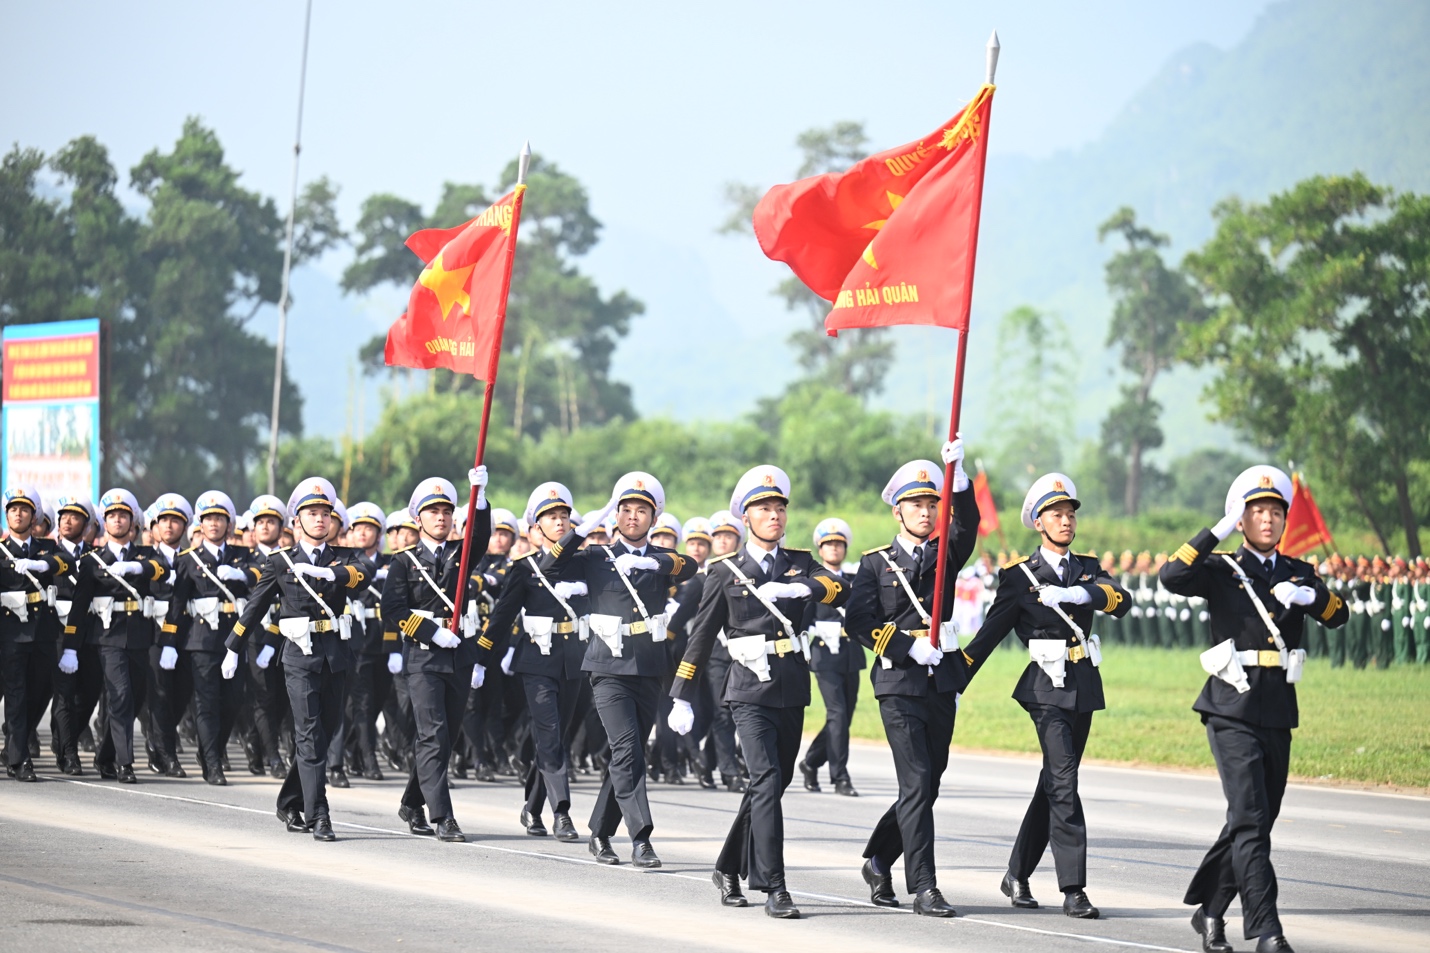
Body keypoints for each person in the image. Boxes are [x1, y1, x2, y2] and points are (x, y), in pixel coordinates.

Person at [1160, 466, 1349, 953]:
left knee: (1255, 819)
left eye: (1275, 512)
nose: (1267, 520)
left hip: (1278, 706)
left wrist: (1312, 596)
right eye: (1256, 511)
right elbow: (1172, 576)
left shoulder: (1298, 572)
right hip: (1230, 705)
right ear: (1242, 520)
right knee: (1250, 821)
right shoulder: (1222, 569)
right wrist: (1216, 530)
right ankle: (1267, 929)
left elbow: (1339, 615)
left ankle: (1209, 911)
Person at [669, 465, 850, 919]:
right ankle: (775, 886)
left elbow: (837, 588)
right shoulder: (724, 571)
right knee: (766, 780)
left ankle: (727, 866)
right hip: (747, 688)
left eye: (779, 509)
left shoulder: (800, 561)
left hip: (790, 685)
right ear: (746, 518)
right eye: (764, 509)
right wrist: (681, 692)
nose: (774, 516)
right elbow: (702, 636)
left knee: (772, 783)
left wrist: (797, 586)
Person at [961, 472, 1131, 920]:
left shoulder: (1088, 567)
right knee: (1065, 782)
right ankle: (1073, 888)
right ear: (1038, 522)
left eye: (1070, 513)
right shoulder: (1020, 576)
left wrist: (1080, 591)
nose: (1066, 521)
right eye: (1056, 514)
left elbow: (1121, 599)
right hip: (1045, 688)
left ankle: (1016, 872)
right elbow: (990, 633)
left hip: (1083, 684)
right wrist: (953, 681)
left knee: (1054, 783)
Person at [845, 440, 979, 916]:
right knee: (919, 781)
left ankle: (880, 859)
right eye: (917, 504)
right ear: (898, 511)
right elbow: (857, 622)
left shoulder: (946, 554)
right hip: (898, 683)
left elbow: (970, 526)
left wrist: (958, 477)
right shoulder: (876, 563)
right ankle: (924, 886)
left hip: (940, 680)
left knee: (928, 783)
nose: (926, 511)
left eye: (932, 503)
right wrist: (904, 644)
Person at [539, 471, 697, 868]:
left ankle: (600, 832)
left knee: (629, 755)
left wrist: (652, 563)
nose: (632, 516)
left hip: (649, 667)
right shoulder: (596, 558)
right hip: (607, 667)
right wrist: (586, 527)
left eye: (640, 510)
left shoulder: (661, 560)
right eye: (625, 509)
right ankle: (641, 837)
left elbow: (690, 565)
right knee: (628, 749)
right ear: (615, 515)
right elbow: (552, 565)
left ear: (654, 517)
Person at [225, 477, 373, 842]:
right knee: (307, 734)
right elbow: (256, 606)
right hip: (299, 658)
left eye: (326, 513)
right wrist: (232, 645)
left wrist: (329, 572)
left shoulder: (346, 557)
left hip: (336, 656)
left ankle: (289, 799)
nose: (320, 519)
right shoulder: (281, 562)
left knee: (324, 733)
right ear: (296, 521)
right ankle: (318, 812)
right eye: (312, 513)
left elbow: (363, 577)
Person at [475, 481, 589, 841]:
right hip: (536, 662)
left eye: (564, 517)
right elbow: (502, 616)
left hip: (573, 660)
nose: (559, 523)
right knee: (550, 733)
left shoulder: (583, 563)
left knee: (557, 738)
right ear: (535, 529)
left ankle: (532, 807)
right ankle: (563, 812)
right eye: (551, 518)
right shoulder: (524, 569)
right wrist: (482, 658)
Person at [385, 469, 492, 843]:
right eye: (433, 512)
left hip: (459, 656)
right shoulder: (402, 563)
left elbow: (480, 535)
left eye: (447, 511)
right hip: (424, 658)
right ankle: (442, 816)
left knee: (445, 738)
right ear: (418, 519)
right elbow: (394, 611)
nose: (441, 517)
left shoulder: (463, 554)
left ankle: (412, 801)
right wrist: (432, 632)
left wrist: (479, 497)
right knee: (432, 735)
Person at [160, 491, 255, 785]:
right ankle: (212, 762)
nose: (214, 524)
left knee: (233, 702)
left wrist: (242, 575)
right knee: (206, 702)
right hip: (200, 641)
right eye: (208, 519)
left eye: (220, 519)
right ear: (200, 525)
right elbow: (177, 605)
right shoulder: (189, 560)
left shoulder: (241, 556)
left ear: (229, 524)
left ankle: (211, 750)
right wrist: (169, 643)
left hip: (234, 640)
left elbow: (259, 574)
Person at [86, 488, 170, 783]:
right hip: (108, 637)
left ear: (133, 522)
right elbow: (81, 603)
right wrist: (71, 645)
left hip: (139, 637)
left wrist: (136, 566)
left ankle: (104, 756)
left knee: (134, 700)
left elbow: (164, 569)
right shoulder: (93, 558)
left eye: (123, 515)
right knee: (119, 696)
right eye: (112, 516)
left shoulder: (146, 554)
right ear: (104, 522)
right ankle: (125, 763)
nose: (117, 520)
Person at [2, 487, 82, 780]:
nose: (18, 514)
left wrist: (39, 564)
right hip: (11, 632)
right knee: (17, 695)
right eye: (13, 509)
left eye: (24, 509)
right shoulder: (1, 550)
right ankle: (19, 760)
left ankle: (15, 747)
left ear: (33, 515)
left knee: (38, 693)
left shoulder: (47, 548)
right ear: (7, 514)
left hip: (43, 633)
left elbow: (66, 562)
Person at [799, 517, 864, 797]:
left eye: (839, 544)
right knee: (836, 714)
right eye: (829, 544)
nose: (834, 549)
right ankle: (840, 776)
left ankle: (810, 762)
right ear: (820, 549)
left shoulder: (855, 581)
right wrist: (817, 630)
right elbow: (802, 621)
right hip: (825, 654)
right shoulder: (813, 582)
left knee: (844, 717)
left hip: (851, 653)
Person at [48, 494, 101, 776]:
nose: (68, 521)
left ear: (88, 524)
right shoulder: (49, 554)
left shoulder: (96, 556)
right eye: (64, 516)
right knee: (65, 694)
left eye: (76, 517)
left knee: (90, 692)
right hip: (59, 632)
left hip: (91, 633)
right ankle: (69, 754)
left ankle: (62, 736)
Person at [144, 493, 193, 777]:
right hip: (153, 633)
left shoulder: (192, 560)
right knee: (160, 693)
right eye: (164, 521)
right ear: (155, 527)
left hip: (185, 634)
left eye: (176, 521)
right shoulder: (145, 558)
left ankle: (156, 737)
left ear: (184, 528)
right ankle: (166, 753)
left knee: (183, 692)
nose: (170, 526)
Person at [343, 502, 389, 781]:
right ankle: (367, 756)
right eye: (357, 527)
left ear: (378, 533)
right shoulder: (347, 562)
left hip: (384, 641)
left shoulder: (392, 564)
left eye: (368, 528)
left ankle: (353, 748)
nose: (362, 533)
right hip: (357, 642)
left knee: (378, 701)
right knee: (361, 703)